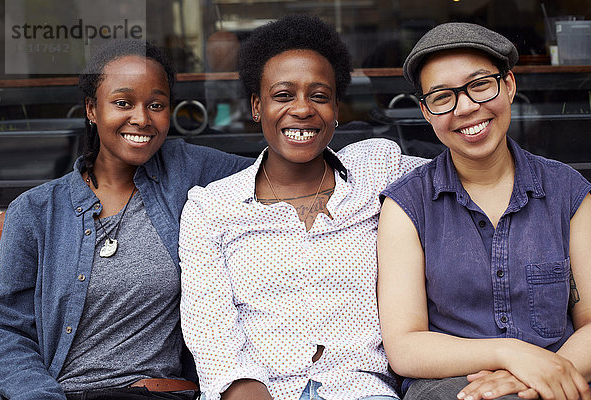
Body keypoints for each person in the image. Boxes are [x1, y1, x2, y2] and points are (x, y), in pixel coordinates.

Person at [179, 15, 427, 400]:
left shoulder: (377, 169)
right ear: (257, 106)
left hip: (360, 390)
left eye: (319, 95)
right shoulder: (212, 208)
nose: (303, 109)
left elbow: (463, 174)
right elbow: (212, 337)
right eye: (283, 95)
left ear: (337, 109)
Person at [0, 40, 252, 400]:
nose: (142, 118)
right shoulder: (36, 211)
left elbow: (273, 173)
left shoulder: (187, 171)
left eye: (156, 105)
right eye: (122, 103)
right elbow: (5, 330)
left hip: (159, 393)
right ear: (92, 109)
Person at [377, 22, 591, 400]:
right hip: (453, 387)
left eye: (480, 85)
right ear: (427, 112)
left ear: (509, 85)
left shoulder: (567, 192)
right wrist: (511, 354)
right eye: (443, 97)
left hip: (566, 374)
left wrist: (537, 375)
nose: (465, 108)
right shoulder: (407, 205)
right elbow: (405, 346)